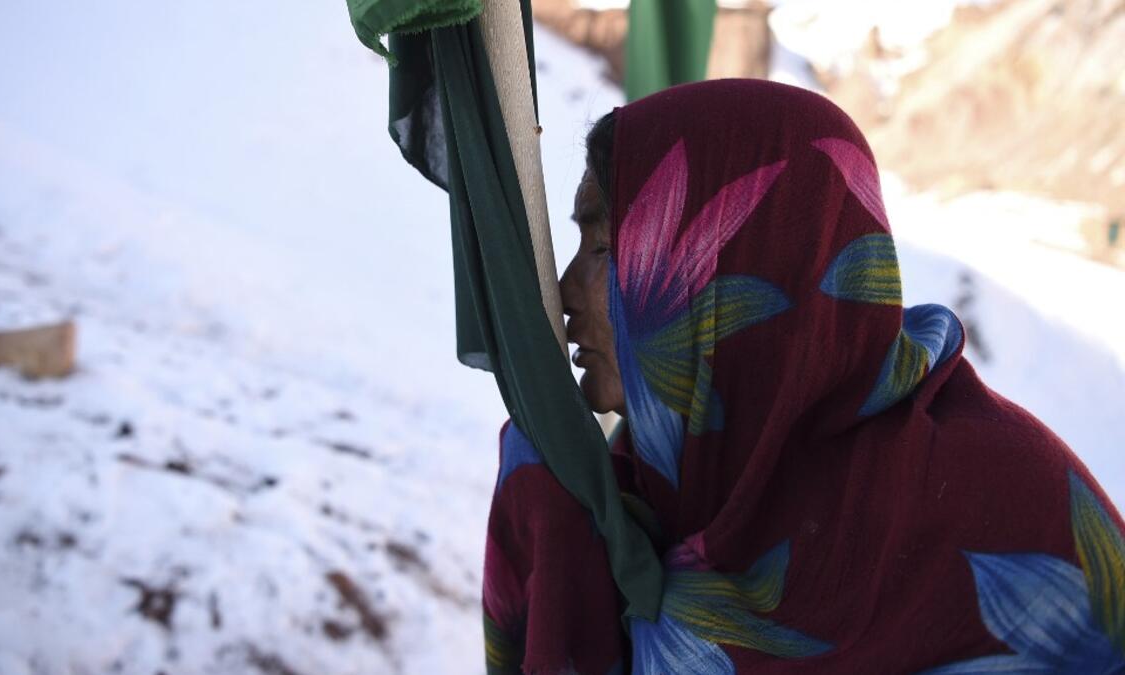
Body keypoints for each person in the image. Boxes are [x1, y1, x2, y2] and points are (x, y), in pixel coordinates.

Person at [480, 79, 1125, 675]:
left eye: (602, 246)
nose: (564, 291)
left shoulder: (1012, 510)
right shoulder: (634, 503)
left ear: (735, 266)